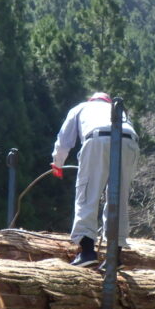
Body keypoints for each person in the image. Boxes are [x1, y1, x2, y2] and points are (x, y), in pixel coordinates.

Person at [50, 91, 139, 267]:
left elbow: (64, 139)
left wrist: (57, 163)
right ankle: (114, 257)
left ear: (91, 100)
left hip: (98, 139)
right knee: (119, 199)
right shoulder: (120, 111)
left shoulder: (81, 108)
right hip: (130, 142)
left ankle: (88, 252)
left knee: (87, 194)